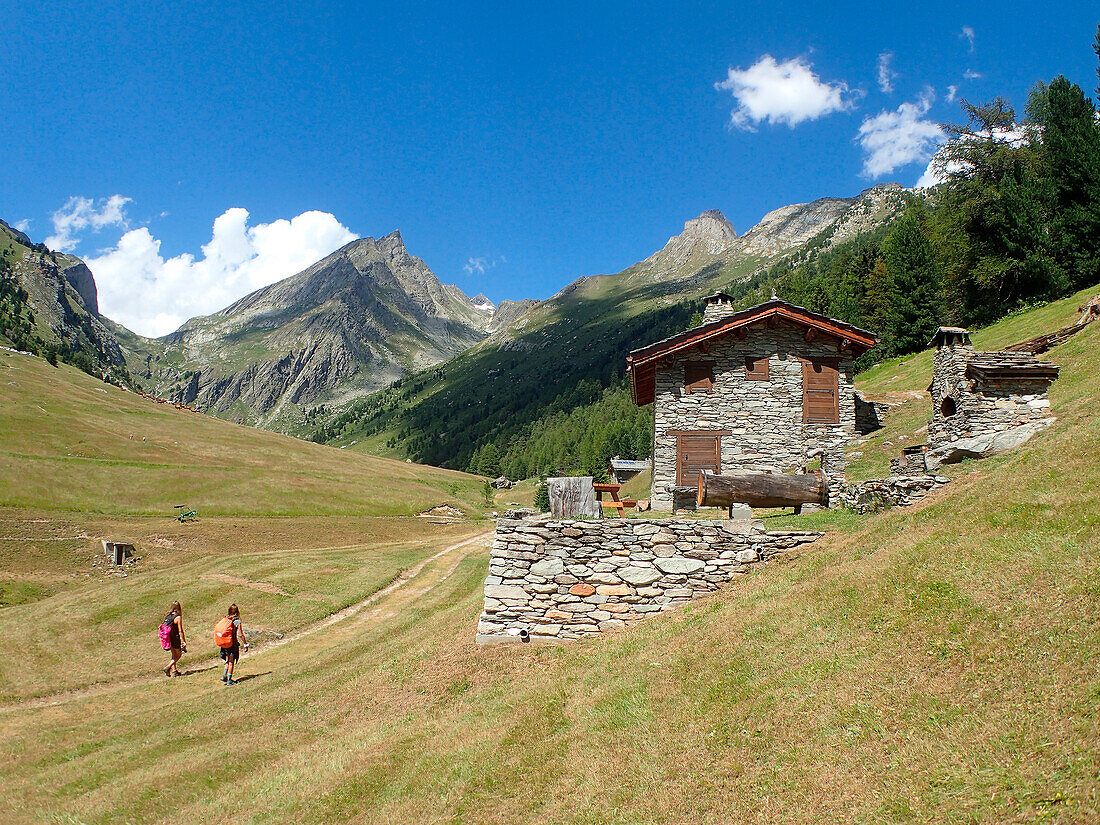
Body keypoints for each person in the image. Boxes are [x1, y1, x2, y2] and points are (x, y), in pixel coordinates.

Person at [219, 603, 249, 686]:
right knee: (231, 662)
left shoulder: (226, 619)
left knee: (227, 660)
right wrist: (245, 643)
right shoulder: (237, 621)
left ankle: (224, 675)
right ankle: (229, 680)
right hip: (232, 644)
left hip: (224, 643)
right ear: (237, 612)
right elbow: (240, 634)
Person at [163, 601, 187, 677]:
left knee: (173, 655)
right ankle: (168, 667)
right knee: (178, 655)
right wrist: (184, 641)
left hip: (168, 639)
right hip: (175, 638)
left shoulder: (168, 616)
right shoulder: (177, 617)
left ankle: (174, 671)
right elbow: (180, 630)